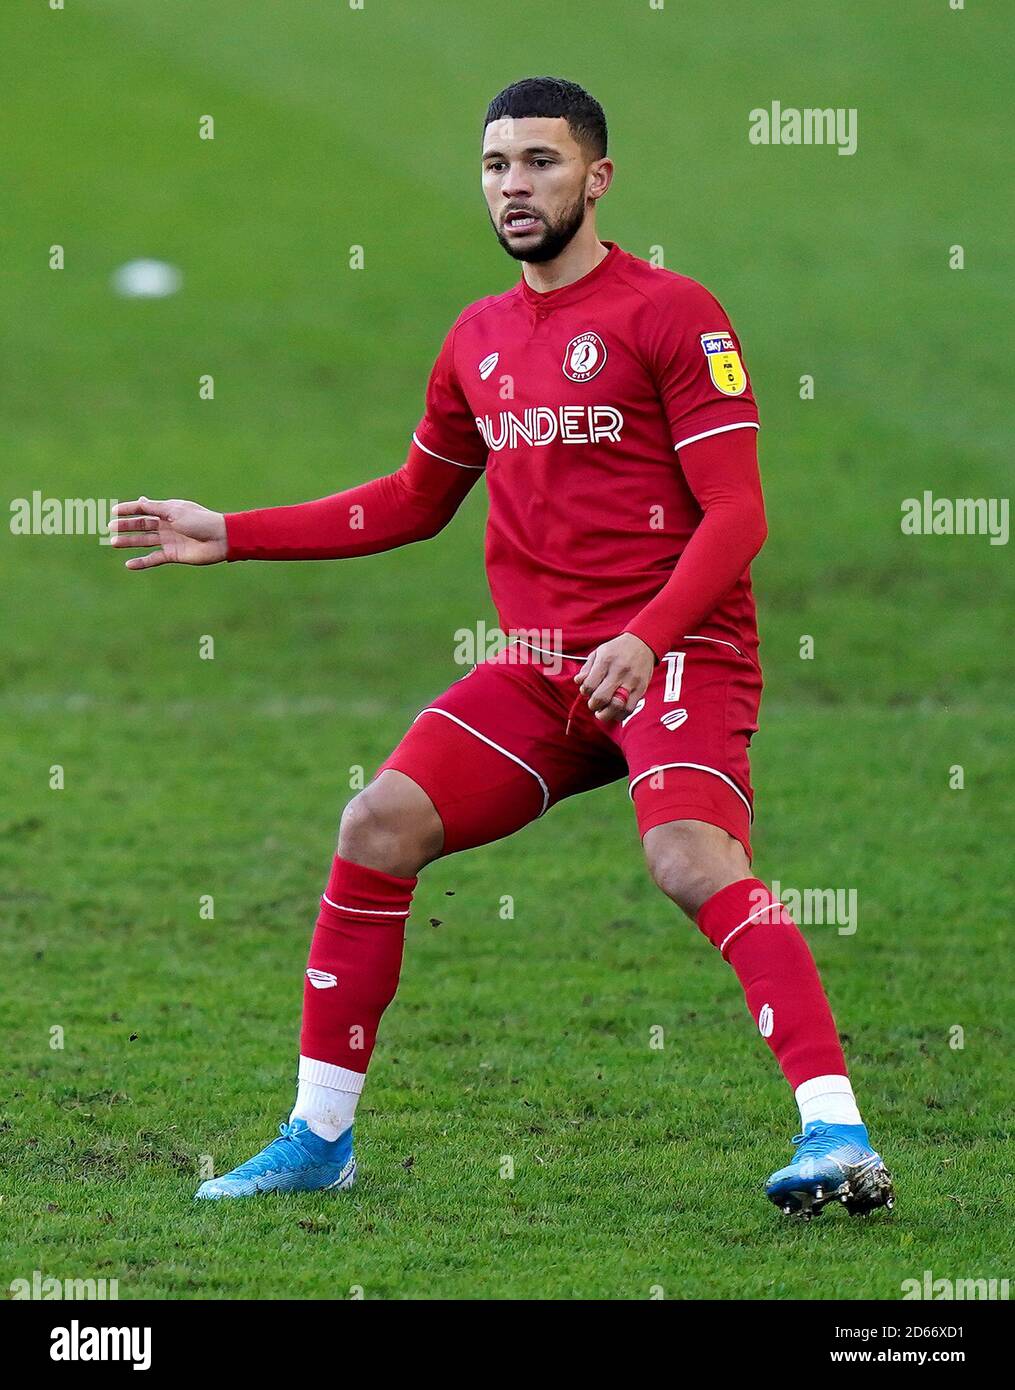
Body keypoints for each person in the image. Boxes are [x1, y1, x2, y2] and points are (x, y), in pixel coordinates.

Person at [110, 76, 893, 1218]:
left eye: (541, 162)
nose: (515, 186)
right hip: (539, 669)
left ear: (598, 177)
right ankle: (318, 1138)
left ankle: (835, 1129)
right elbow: (414, 500)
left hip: (675, 654)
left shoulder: (675, 312)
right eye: (496, 166)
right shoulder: (477, 337)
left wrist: (646, 635)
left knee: (687, 860)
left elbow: (739, 515)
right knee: (374, 823)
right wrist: (229, 534)